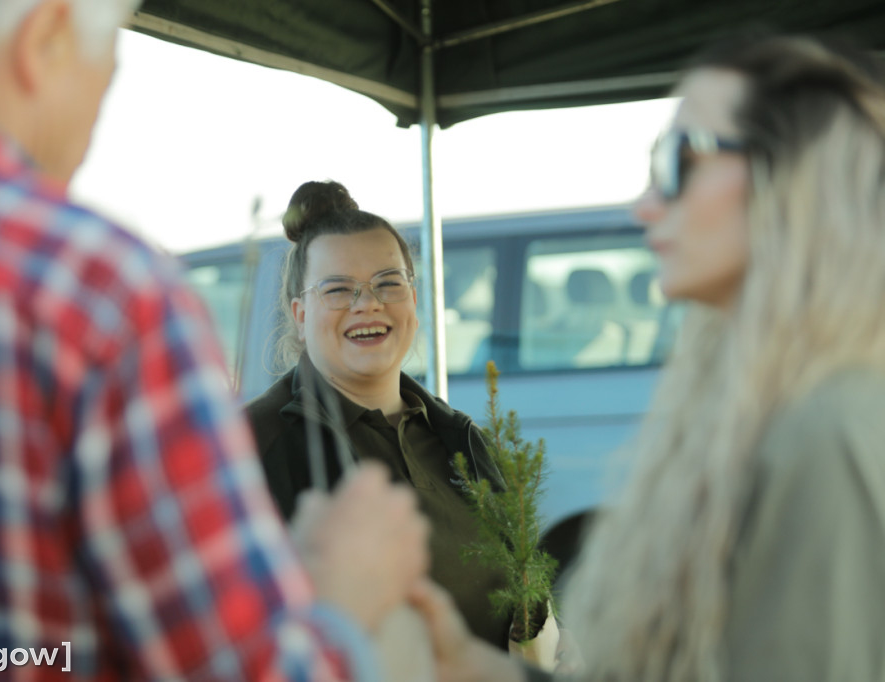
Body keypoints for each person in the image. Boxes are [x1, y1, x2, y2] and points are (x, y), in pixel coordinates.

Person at [0, 1, 430, 679]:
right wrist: (342, 598)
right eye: (107, 69)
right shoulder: (92, 290)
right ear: (46, 37)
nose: (96, 112)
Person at [555, 33, 885, 681]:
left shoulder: (829, 428)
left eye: (679, 158)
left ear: (793, 174)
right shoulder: (769, 403)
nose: (645, 204)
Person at [245, 180, 519, 651]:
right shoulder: (249, 449)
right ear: (300, 314)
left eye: (388, 283)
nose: (367, 304)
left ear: (414, 298)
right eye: (337, 289)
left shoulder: (461, 439)